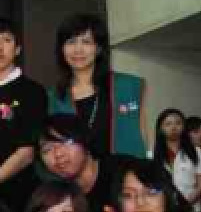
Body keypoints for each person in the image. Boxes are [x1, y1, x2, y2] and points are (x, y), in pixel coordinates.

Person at [0, 16, 48, 212]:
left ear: (17, 49)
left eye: (6, 40)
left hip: (18, 193)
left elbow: (26, 153)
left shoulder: (32, 91)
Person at [47, 13, 147, 158]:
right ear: (62, 49)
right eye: (71, 42)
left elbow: (142, 135)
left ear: (98, 48)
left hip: (125, 169)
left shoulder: (128, 85)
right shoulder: (53, 97)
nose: (78, 49)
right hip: (75, 171)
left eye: (86, 42)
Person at [36, 115, 135, 212]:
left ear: (85, 142)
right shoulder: (58, 194)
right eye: (47, 149)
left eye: (66, 142)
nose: (58, 154)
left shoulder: (124, 172)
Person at [151, 108, 201, 211]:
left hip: (192, 209)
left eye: (178, 123)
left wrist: (185, 204)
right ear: (160, 128)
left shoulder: (198, 152)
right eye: (168, 124)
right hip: (165, 210)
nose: (174, 127)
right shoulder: (155, 155)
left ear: (183, 127)